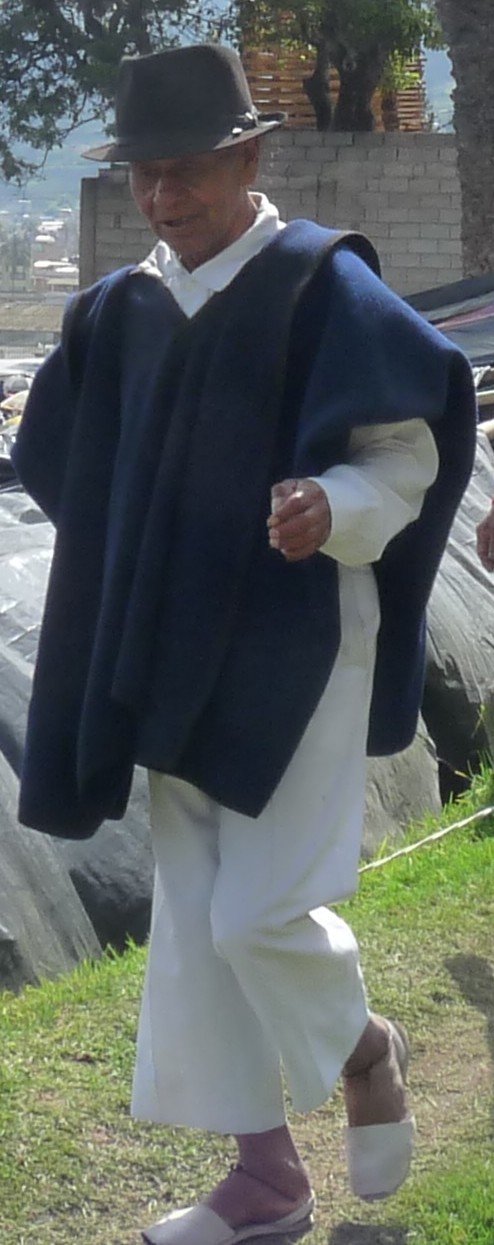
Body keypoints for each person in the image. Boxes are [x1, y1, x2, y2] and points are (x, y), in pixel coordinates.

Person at [12, 44, 476, 1245]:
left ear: (249, 157)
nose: (163, 197)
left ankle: (364, 1049)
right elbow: (64, 462)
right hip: (166, 650)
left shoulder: (319, 286)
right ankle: (264, 1181)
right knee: (196, 923)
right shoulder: (118, 311)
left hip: (298, 644)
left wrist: (332, 503)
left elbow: (404, 456)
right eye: (145, 174)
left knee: (259, 916)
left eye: (186, 170)